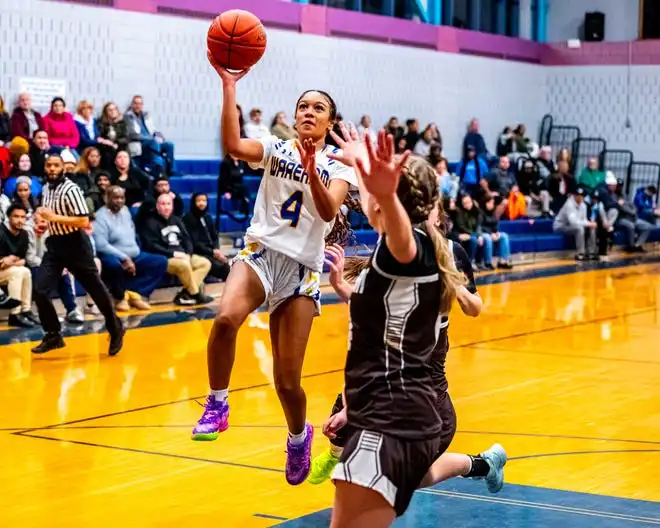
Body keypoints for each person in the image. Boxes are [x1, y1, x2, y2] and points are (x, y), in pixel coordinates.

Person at [191, 53, 357, 488]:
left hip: (301, 271)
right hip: (261, 252)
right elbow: (233, 145)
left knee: (287, 382)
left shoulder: (339, 166)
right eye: (303, 106)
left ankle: (298, 437)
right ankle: (217, 403)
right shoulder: (275, 148)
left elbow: (327, 209)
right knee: (226, 318)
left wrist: (312, 173)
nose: (308, 112)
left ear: (329, 122)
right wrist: (230, 86)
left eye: (318, 108)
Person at [326, 133, 483, 526]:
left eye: (374, 196)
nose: (366, 202)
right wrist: (360, 162)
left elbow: (397, 230)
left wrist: (383, 190)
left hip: (392, 419)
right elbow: (374, 205)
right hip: (385, 415)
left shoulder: (409, 249)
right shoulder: (409, 245)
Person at [310, 236, 506, 495]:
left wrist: (453, 282)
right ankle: (482, 465)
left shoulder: (425, 319)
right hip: (397, 402)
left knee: (389, 480)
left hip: (430, 414)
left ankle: (480, 464)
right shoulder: (389, 304)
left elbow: (472, 307)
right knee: (362, 477)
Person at [30, 154, 124, 355]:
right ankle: (53, 334)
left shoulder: (71, 189)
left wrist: (53, 217)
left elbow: (83, 221)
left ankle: (115, 328)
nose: (52, 169)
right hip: (55, 244)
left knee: (96, 288)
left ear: (63, 168)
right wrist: (43, 222)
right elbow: (50, 216)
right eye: (49, 165)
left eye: (56, 165)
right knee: (40, 290)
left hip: (75, 245)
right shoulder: (46, 188)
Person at [94, 186, 168, 311]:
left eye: (122, 198)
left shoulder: (126, 211)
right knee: (113, 265)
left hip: (134, 254)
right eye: (115, 198)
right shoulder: (100, 216)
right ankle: (120, 297)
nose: (119, 201)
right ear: (106, 198)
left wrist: (132, 254)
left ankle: (134, 294)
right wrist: (124, 257)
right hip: (112, 255)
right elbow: (101, 245)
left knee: (161, 262)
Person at [138, 193, 213, 306]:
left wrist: (188, 253)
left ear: (172, 206)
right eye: (163, 204)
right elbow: (152, 246)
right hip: (165, 257)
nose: (166, 207)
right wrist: (173, 253)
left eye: (168, 204)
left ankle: (185, 293)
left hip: (183, 255)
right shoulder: (150, 223)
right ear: (157, 206)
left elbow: (187, 239)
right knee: (184, 265)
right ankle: (195, 293)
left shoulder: (177, 220)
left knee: (205, 263)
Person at [0, 204, 39, 327]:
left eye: (23, 217)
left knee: (25, 271)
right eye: (16, 216)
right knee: (18, 272)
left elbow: (22, 260)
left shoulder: (24, 234)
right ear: (8, 218)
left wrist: (9, 260)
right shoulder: (1, 232)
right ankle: (14, 314)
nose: (20, 220)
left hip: (8, 269)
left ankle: (26, 310)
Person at [182, 192, 230, 281]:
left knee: (227, 266)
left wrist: (216, 249)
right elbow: (195, 243)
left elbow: (215, 236)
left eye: (204, 200)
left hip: (211, 252)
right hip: (198, 252)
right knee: (222, 268)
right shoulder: (188, 219)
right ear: (193, 202)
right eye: (198, 201)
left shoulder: (208, 217)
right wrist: (213, 252)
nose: (201, 203)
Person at [553, 186, 597, 261]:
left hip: (571, 226)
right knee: (580, 228)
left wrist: (590, 224)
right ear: (574, 195)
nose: (580, 197)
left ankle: (591, 253)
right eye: (577, 195)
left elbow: (584, 220)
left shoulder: (583, 205)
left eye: (581, 196)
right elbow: (573, 222)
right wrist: (588, 223)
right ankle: (580, 254)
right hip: (560, 226)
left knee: (591, 227)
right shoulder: (569, 204)